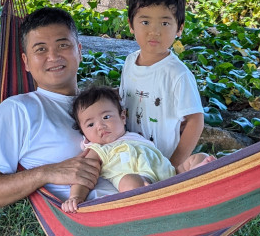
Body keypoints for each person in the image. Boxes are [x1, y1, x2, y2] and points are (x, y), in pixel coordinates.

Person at [0, 7, 114, 213]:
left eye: (63, 45)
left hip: (141, 199)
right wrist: (47, 173)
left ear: (79, 51)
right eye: (41, 49)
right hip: (96, 219)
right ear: (26, 62)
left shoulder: (106, 103)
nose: (53, 56)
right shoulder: (18, 110)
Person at [118, 0, 205, 236]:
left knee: (177, 231)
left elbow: (195, 121)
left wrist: (175, 162)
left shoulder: (177, 74)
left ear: (179, 28)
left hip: (165, 166)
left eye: (165, 22)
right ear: (131, 24)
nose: (153, 31)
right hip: (133, 162)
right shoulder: (129, 63)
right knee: (129, 221)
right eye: (145, 21)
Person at [61, 86, 212, 214]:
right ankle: (153, 200)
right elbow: (83, 175)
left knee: (199, 157)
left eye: (106, 117)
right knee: (129, 181)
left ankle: (199, 178)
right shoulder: (98, 149)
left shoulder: (135, 136)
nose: (100, 126)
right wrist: (75, 197)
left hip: (171, 175)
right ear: (83, 132)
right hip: (140, 182)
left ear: (123, 117)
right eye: (90, 125)